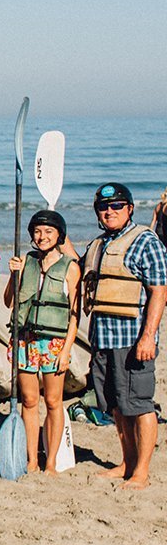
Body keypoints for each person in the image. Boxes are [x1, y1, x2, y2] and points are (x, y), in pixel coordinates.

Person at [81, 182, 167, 489]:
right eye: (104, 208)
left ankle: (141, 470)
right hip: (103, 338)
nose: (110, 211)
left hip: (132, 339)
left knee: (139, 405)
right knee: (116, 406)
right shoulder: (99, 244)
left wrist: (149, 337)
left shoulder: (145, 241)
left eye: (117, 206)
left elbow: (159, 291)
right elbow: (79, 269)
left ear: (129, 209)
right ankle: (126, 462)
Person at [4, 210, 81, 475]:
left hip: (54, 344)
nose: (42, 237)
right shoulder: (26, 261)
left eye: (48, 232)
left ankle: (50, 462)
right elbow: (9, 302)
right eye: (37, 232)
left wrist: (67, 350)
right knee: (28, 399)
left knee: (52, 401)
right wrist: (13, 274)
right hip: (26, 340)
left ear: (59, 234)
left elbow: (74, 315)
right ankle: (31, 460)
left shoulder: (70, 267)